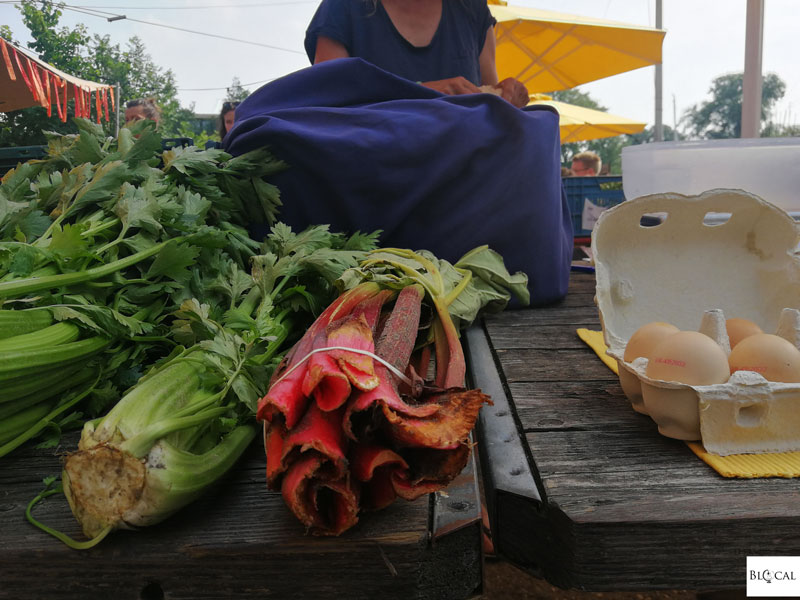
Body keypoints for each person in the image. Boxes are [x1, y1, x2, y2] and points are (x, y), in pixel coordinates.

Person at [305, 0, 529, 108]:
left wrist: (507, 97)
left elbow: (490, 110)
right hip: (373, 176)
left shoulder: (472, 11)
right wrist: (420, 93)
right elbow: (327, 107)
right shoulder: (342, 8)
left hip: (462, 175)